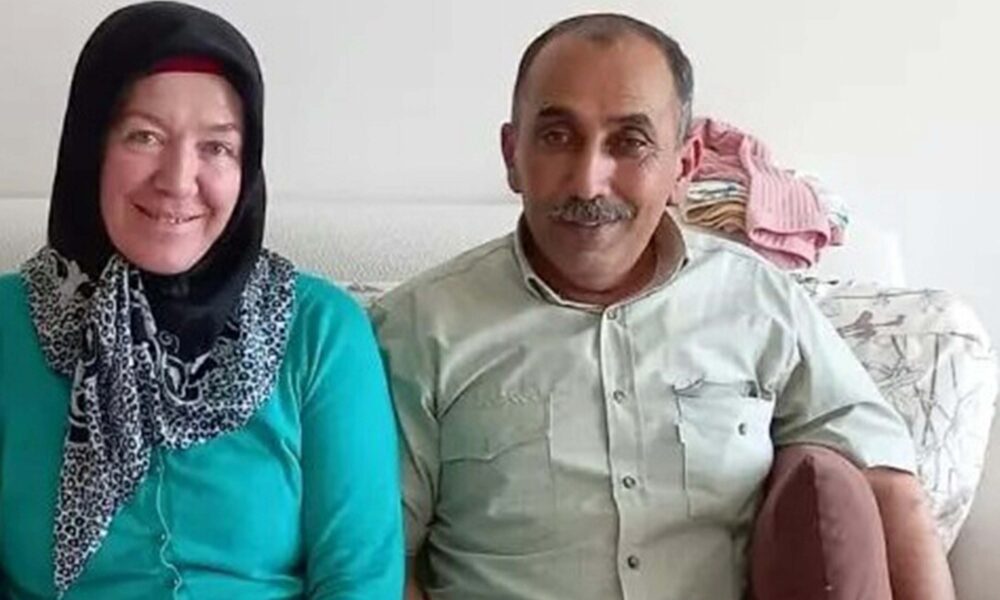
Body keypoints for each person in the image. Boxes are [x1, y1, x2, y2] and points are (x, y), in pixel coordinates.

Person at [372, 13, 953, 600]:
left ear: (685, 164)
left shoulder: (758, 301)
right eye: (557, 136)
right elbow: (380, 559)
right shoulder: (416, 330)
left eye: (630, 142)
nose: (588, 182)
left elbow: (889, 488)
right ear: (511, 154)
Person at [0, 2, 402, 598]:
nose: (177, 179)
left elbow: (359, 579)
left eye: (216, 147)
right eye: (144, 136)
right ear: (90, 148)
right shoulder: (9, 325)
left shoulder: (318, 330)